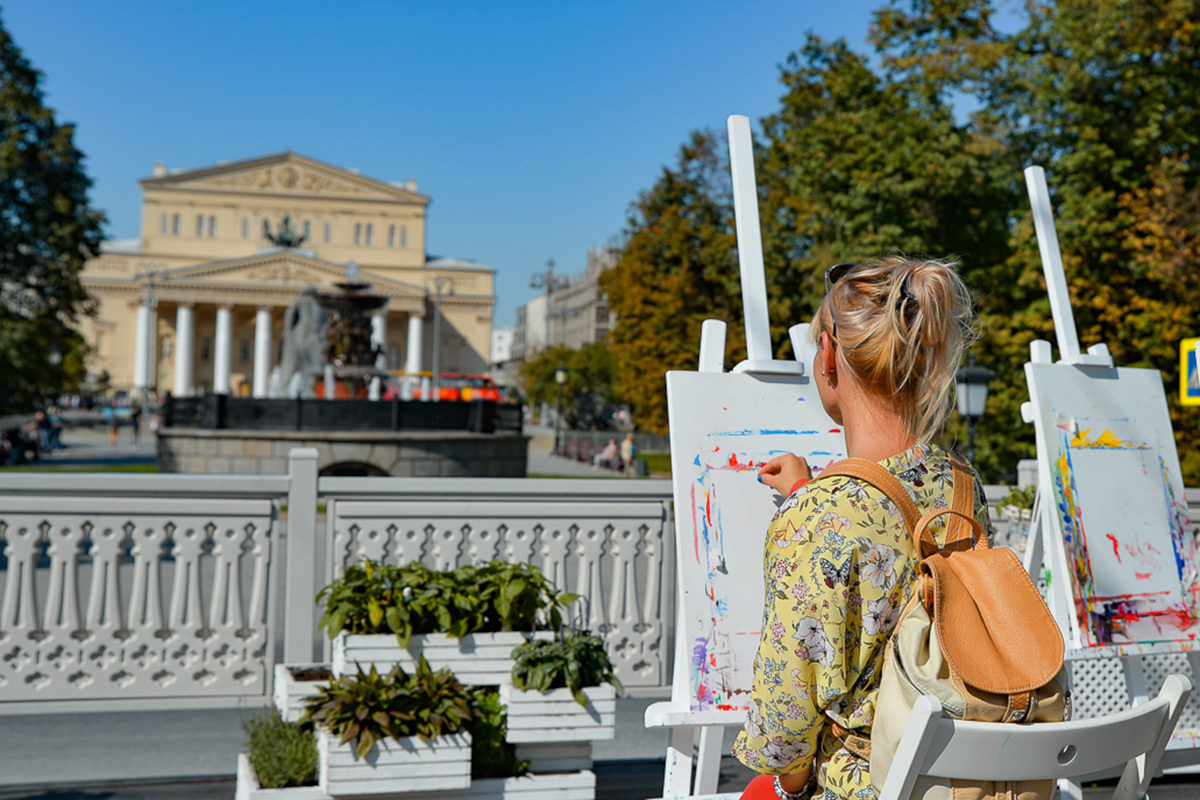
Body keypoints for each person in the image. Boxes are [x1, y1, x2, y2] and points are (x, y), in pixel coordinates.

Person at [732, 257, 992, 800]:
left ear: (827, 356)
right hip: (965, 778)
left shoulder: (818, 521)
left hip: (872, 783)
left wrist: (791, 786)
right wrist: (810, 496)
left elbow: (783, 733)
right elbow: (904, 591)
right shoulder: (962, 484)